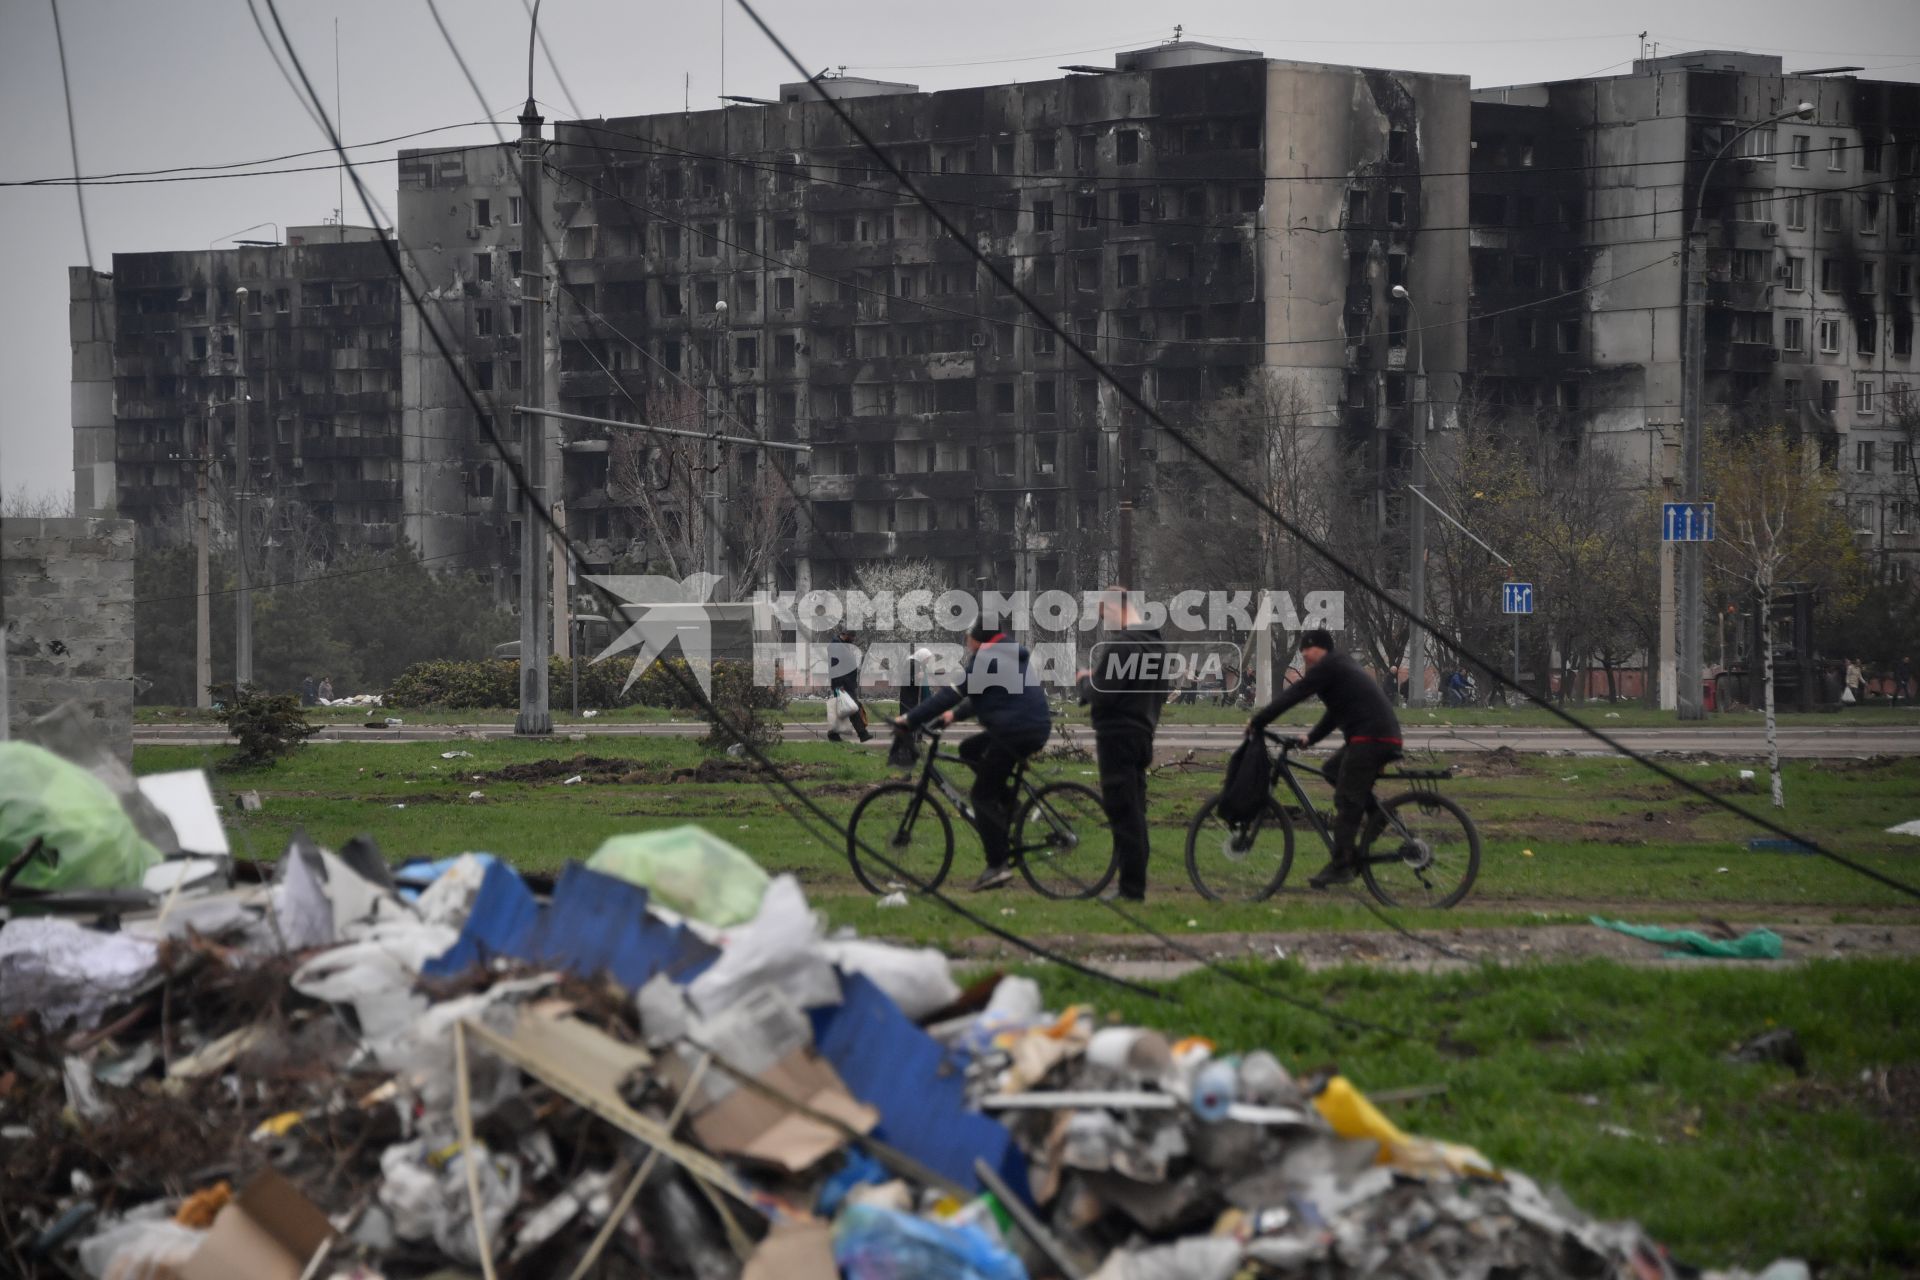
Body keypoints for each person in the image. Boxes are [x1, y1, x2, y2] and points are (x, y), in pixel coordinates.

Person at [894, 621, 1051, 891]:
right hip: (1027, 726)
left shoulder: (987, 658)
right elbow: (983, 694)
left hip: (1015, 731)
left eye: (968, 639)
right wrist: (953, 716)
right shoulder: (1005, 653)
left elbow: (954, 693)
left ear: (977, 640)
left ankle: (997, 865)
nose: (967, 644)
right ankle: (1007, 805)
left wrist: (910, 718)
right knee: (969, 749)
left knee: (980, 796)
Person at [1246, 628, 1402, 889]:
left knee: (1346, 799)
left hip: (1372, 739)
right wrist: (1311, 738)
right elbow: (1335, 713)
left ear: (1323, 649)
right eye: (1303, 650)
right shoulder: (1339, 667)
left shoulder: (1329, 666)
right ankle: (1379, 814)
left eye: (1309, 648)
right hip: (1374, 737)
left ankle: (1341, 865)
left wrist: (1259, 721)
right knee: (1331, 769)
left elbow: (1295, 694)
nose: (1305, 654)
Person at [1077, 589, 1170, 903]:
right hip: (1143, 732)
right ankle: (1135, 881)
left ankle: (1131, 890)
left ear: (1116, 608)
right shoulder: (1155, 644)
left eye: (1105, 615)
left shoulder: (1123, 645)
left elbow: (1103, 692)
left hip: (1117, 735)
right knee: (1135, 810)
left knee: (1122, 811)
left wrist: (1084, 681)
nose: (1106, 624)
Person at [826, 628, 871, 742]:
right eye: (852, 637)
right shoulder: (836, 646)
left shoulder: (843, 645)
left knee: (846, 708)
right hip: (842, 684)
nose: (853, 639)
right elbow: (835, 667)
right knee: (852, 707)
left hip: (848, 683)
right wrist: (839, 684)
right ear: (845, 635)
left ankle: (834, 734)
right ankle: (862, 733)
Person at [899, 646, 934, 716]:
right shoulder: (911, 663)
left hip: (915, 695)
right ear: (923, 657)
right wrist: (916, 677)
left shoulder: (919, 664)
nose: (928, 661)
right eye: (927, 659)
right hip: (909, 696)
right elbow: (905, 678)